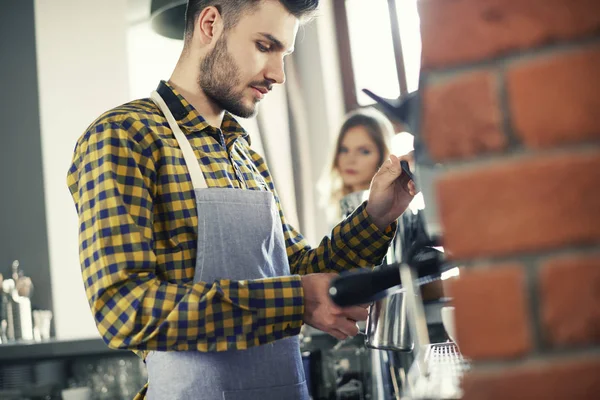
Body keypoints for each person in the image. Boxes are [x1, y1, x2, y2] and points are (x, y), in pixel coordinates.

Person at [66, 1, 416, 399]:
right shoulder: (124, 136)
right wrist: (296, 299)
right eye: (265, 46)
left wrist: (376, 215)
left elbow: (299, 269)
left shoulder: (244, 154)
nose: (278, 74)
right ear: (211, 24)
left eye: (284, 54)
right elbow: (124, 309)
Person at [319, 107, 395, 225]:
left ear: (383, 155)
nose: (350, 160)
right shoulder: (339, 213)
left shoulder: (391, 216)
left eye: (364, 151)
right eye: (344, 150)